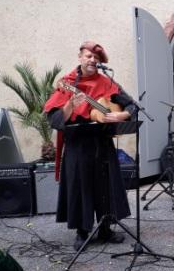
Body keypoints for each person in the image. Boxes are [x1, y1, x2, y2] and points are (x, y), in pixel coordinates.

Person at [44, 41, 135, 251]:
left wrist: (122, 114)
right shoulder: (67, 83)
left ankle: (105, 228)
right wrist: (69, 106)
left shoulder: (107, 82)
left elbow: (131, 105)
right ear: (80, 57)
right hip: (78, 144)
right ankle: (82, 231)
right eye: (88, 56)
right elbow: (54, 119)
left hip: (102, 142)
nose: (92, 60)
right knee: (80, 186)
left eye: (96, 58)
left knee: (106, 185)